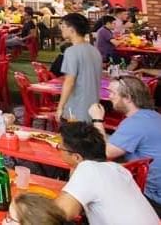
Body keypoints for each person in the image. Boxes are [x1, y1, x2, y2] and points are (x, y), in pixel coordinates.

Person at [54, 121, 157, 224]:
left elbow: (60, 213)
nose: (58, 149)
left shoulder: (88, 169)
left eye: (60, 147)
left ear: (76, 157)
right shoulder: (118, 169)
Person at [88, 76, 161, 214]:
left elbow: (103, 153)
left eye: (113, 93)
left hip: (153, 197)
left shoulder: (135, 123)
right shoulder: (153, 116)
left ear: (127, 98)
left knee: (91, 179)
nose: (109, 97)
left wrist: (97, 119)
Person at [56, 13, 102, 123]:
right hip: (94, 109)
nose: (61, 30)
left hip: (76, 108)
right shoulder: (94, 50)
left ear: (71, 29)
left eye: (63, 27)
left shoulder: (71, 51)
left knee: (72, 138)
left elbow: (69, 82)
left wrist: (60, 107)